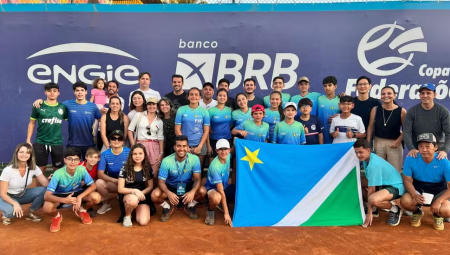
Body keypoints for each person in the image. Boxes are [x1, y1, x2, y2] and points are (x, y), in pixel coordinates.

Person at [33, 81, 102, 160]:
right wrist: (41, 101)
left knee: (89, 169)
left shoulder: (92, 106)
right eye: (77, 90)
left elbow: (101, 120)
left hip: (89, 143)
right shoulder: (66, 104)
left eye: (82, 90)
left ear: (86, 92)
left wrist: (100, 135)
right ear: (74, 92)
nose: (80, 93)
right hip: (72, 144)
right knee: (72, 169)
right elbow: (53, 104)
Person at [43, 147, 101, 233]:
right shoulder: (58, 173)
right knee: (47, 207)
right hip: (60, 195)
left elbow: (93, 186)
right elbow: (47, 196)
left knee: (96, 197)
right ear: (65, 160)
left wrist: (80, 197)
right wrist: (65, 200)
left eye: (75, 159)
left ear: (79, 161)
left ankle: (82, 210)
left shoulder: (82, 169)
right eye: (70, 159)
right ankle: (57, 216)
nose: (73, 162)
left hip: (77, 193)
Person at [400, 133, 450, 230]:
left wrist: (439, 201)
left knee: (447, 211)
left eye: (428, 146)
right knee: (405, 201)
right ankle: (417, 212)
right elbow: (407, 181)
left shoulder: (444, 162)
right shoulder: (410, 158)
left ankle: (437, 215)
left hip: (438, 191)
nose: (424, 149)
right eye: (421, 146)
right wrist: (414, 195)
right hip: (419, 189)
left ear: (435, 147)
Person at [151, 136, 206, 222]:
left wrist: (192, 192)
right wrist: (168, 193)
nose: (181, 149)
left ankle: (190, 205)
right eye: (179, 146)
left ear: (188, 147)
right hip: (171, 187)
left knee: (202, 191)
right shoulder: (166, 161)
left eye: (184, 146)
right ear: (174, 147)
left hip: (187, 187)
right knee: (154, 195)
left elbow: (197, 179)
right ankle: (167, 206)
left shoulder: (194, 159)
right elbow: (161, 182)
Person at [353, 139, 404, 227]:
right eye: (356, 152)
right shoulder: (367, 158)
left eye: (360, 152)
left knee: (373, 199)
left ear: (368, 150)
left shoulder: (374, 165)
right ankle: (375, 209)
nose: (358, 155)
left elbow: (371, 189)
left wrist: (369, 212)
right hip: (383, 184)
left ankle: (395, 209)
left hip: (395, 187)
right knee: (357, 183)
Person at [0, 143, 50, 225]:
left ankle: (30, 213)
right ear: (16, 154)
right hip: (6, 197)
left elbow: (45, 183)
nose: (24, 155)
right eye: (21, 152)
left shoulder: (33, 167)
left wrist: (53, 180)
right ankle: (6, 213)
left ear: (31, 155)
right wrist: (15, 203)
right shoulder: (8, 170)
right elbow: (2, 194)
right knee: (12, 212)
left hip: (22, 195)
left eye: (27, 152)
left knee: (44, 190)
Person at [27, 82, 67, 173]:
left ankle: (56, 187)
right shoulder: (38, 105)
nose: (52, 93)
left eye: (54, 91)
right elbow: (32, 123)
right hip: (41, 142)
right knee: (39, 170)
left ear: (58, 93)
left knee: (58, 171)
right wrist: (28, 140)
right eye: (49, 91)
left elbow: (71, 120)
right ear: (45, 92)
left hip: (57, 142)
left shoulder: (63, 107)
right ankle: (38, 188)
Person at [403, 83, 450, 160]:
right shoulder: (412, 111)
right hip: (417, 152)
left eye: (428, 93)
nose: (425, 95)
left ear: (434, 95)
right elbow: (406, 132)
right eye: (422, 93)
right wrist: (411, 148)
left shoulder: (443, 111)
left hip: (437, 153)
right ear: (419, 96)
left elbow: (449, 133)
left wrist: (444, 150)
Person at [366, 86, 406, 172]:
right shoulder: (375, 109)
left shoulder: (402, 111)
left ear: (394, 95)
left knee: (394, 171)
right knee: (377, 170)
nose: (386, 96)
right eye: (383, 94)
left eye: (389, 93)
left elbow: (406, 129)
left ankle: (394, 186)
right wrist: (368, 141)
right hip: (378, 142)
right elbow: (370, 126)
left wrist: (398, 141)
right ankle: (380, 186)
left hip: (395, 144)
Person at [118, 144, 154, 227]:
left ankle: (134, 208)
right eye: (135, 154)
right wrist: (134, 191)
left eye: (140, 153)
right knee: (133, 200)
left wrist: (141, 194)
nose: (137, 156)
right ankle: (127, 216)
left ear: (144, 154)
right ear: (131, 155)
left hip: (142, 196)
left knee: (143, 222)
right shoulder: (125, 168)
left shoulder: (148, 167)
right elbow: (120, 189)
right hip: (128, 195)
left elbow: (150, 186)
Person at [128, 97, 164, 179]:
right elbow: (130, 130)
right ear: (146, 105)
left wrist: (161, 152)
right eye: (149, 104)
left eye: (154, 104)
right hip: (140, 144)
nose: (151, 106)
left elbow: (160, 138)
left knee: (154, 174)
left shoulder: (159, 120)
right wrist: (133, 145)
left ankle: (151, 190)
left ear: (157, 106)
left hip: (154, 146)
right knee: (139, 170)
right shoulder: (139, 115)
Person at [95, 130, 130, 215]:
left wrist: (124, 182)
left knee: (128, 204)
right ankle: (107, 203)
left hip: (128, 183)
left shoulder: (129, 152)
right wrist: (115, 181)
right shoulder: (104, 154)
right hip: (113, 182)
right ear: (110, 140)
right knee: (99, 183)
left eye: (119, 139)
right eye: (113, 138)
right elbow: (100, 174)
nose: (116, 141)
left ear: (123, 141)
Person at [175, 87, 210, 169]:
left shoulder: (204, 111)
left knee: (198, 171)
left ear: (200, 97)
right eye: (191, 94)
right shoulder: (181, 110)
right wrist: (185, 146)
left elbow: (206, 131)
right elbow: (177, 129)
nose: (194, 96)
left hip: (200, 145)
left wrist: (200, 146)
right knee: (184, 170)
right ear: (188, 97)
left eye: (196, 95)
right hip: (184, 146)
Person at [204, 139, 235, 226]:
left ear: (228, 150)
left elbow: (232, 151)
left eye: (225, 149)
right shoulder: (215, 166)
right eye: (221, 149)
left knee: (240, 190)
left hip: (225, 187)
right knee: (217, 198)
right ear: (216, 151)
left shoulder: (228, 155)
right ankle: (210, 210)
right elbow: (221, 191)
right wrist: (226, 213)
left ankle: (224, 205)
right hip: (213, 189)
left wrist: (235, 145)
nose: (223, 152)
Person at [207, 89, 233, 163]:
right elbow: (206, 128)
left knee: (226, 163)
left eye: (224, 96)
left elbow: (231, 124)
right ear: (217, 97)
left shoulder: (229, 110)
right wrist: (208, 145)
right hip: (214, 140)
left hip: (227, 139)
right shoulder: (210, 111)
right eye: (220, 95)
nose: (222, 97)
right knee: (212, 163)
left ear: (227, 98)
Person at [317, 76, 340, 144]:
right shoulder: (319, 98)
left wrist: (337, 117)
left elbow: (345, 116)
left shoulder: (340, 100)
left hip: (335, 134)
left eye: (330, 85)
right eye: (325, 86)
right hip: (320, 134)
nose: (327, 88)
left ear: (335, 86)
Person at [79, 147, 100, 217]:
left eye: (95, 157)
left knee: (96, 195)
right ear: (86, 157)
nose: (93, 160)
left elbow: (96, 180)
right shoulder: (79, 166)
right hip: (76, 188)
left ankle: (84, 208)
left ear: (98, 159)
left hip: (87, 188)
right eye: (91, 157)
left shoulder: (97, 167)